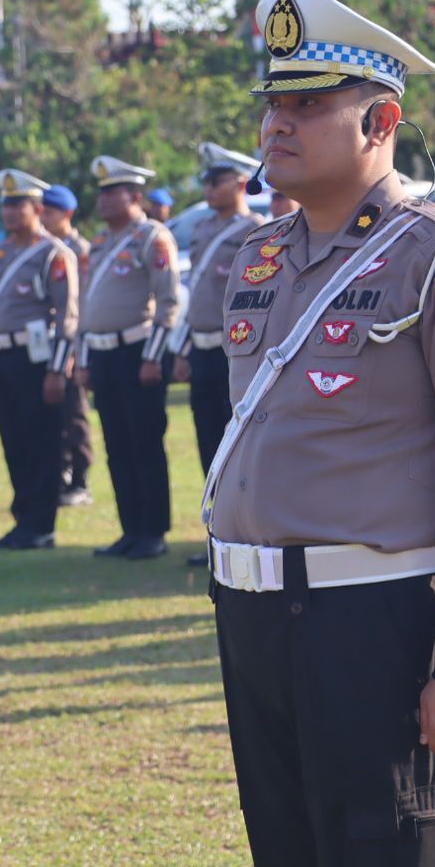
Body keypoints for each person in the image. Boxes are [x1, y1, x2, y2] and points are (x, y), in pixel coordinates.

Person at [210, 0, 435, 867]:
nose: (278, 123)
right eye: (274, 102)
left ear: (382, 122)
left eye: (309, 104)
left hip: (376, 621)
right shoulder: (258, 257)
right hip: (254, 615)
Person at [75, 155, 180, 560]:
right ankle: (130, 528)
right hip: (103, 353)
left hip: (138, 352)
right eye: (101, 192)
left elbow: (169, 301)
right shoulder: (100, 241)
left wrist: (153, 357)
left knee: (144, 443)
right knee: (116, 444)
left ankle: (153, 530)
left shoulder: (152, 237)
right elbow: (88, 305)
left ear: (134, 196)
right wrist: (84, 359)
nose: (103, 200)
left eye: (112, 192)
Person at [170, 142, 267, 566]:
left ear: (241, 183)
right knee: (207, 444)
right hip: (202, 348)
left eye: (217, 181)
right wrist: (182, 348)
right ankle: (215, 534)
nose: (209, 189)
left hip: (235, 353)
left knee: (239, 449)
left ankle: (243, 532)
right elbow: (196, 296)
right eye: (206, 181)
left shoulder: (255, 230)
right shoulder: (202, 230)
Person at [0, 169, 79, 549]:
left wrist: (57, 370)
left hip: (35, 361)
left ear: (37, 209)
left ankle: (41, 524)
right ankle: (23, 519)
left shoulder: (53, 253)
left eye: (17, 205)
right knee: (14, 442)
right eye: (6, 205)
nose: (9, 212)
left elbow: (66, 317)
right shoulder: (2, 252)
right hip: (3, 356)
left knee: (41, 443)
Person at [39, 184, 95, 506]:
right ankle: (59, 474)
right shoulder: (43, 248)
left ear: (67, 214)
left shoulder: (79, 250)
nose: (44, 218)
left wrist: (74, 349)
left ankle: (80, 479)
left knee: (74, 414)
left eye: (50, 213)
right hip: (48, 342)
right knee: (52, 414)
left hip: (72, 341)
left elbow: (81, 304)